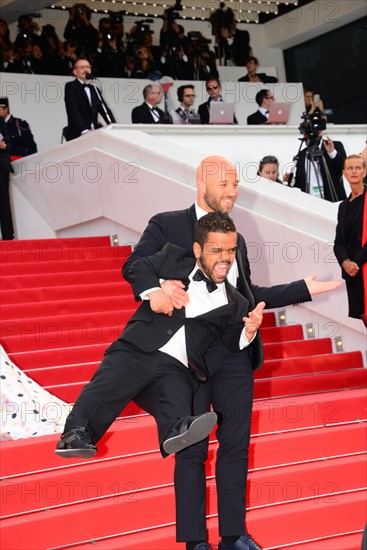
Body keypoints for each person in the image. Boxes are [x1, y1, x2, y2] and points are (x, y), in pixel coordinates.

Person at [122, 155, 341, 550]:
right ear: (201, 181)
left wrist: (300, 289)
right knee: (191, 447)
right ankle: (194, 541)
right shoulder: (167, 223)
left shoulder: (235, 236)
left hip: (235, 352)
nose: (232, 192)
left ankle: (233, 535)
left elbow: (246, 296)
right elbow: (135, 264)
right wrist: (155, 290)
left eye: (236, 184)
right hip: (190, 356)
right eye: (224, 184)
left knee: (236, 444)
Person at [55, 212, 266, 459]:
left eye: (230, 250)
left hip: (177, 367)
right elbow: (138, 266)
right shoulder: (174, 259)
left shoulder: (238, 302)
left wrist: (248, 332)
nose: (225, 258)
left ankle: (175, 431)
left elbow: (230, 339)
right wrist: (155, 291)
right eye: (217, 250)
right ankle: (74, 435)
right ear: (197, 249)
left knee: (175, 400)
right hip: (139, 347)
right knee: (107, 386)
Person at [334, 155, 367, 327]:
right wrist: (345, 262)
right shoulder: (343, 206)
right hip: (351, 270)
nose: (353, 172)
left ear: (365, 171)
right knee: (362, 314)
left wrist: (357, 263)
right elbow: (338, 241)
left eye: (358, 167)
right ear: (344, 173)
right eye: (350, 168)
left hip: (364, 265)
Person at [64, 57, 116, 141]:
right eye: (82, 67)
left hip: (94, 133)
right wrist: (84, 130)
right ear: (75, 72)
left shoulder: (94, 89)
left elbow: (104, 109)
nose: (86, 69)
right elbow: (73, 110)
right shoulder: (71, 87)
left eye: (88, 67)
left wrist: (113, 126)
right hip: (78, 134)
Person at [292, 134, 347, 202]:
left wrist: (332, 152)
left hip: (333, 203)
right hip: (309, 204)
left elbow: (345, 167)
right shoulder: (302, 154)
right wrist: (291, 180)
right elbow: (299, 182)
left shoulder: (335, 146)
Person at [0, 115, 14, 240]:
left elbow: (9, 144)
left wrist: (4, 146)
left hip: (1, 168)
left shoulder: (0, 121)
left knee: (4, 202)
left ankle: (8, 237)